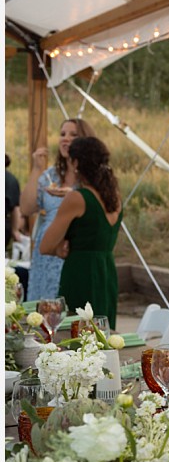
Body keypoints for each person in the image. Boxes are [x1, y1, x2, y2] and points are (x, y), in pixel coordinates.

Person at [38, 136, 122, 329]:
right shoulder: (115, 196)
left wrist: (59, 249)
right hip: (106, 272)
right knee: (102, 334)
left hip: (81, 273)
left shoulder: (77, 198)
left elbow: (45, 246)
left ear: (75, 163)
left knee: (78, 337)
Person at [21, 118, 94, 301]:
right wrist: (37, 169)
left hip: (72, 251)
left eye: (73, 135)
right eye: (62, 134)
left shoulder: (91, 179)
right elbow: (27, 207)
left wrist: (75, 196)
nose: (65, 139)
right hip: (45, 255)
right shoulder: (51, 175)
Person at [5, 154, 23, 251]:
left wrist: (15, 230)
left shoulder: (9, 180)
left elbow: (15, 208)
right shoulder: (11, 180)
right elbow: (15, 208)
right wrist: (15, 230)